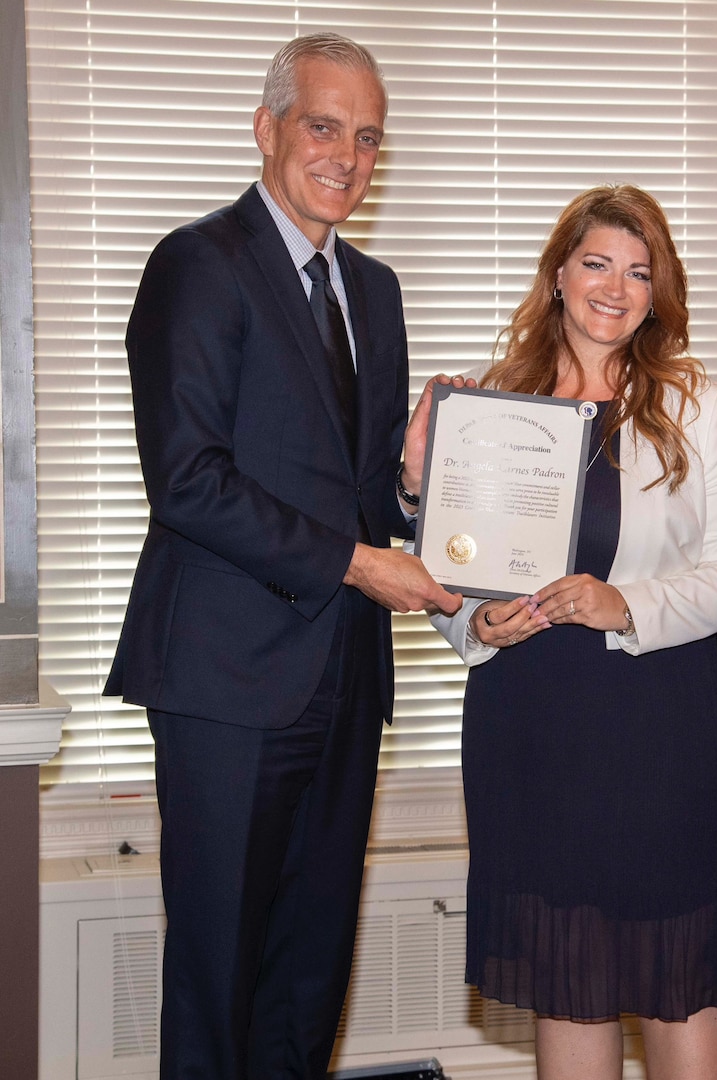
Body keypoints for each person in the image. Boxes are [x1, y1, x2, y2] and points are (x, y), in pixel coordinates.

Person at [104, 33, 462, 1080]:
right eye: (322, 126)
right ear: (266, 130)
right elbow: (188, 480)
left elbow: (360, 496)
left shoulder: (377, 290)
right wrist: (358, 561)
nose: (345, 156)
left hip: (344, 682)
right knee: (218, 980)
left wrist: (408, 489)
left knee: (309, 983)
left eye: (366, 138)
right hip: (227, 681)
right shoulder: (198, 264)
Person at [428, 184, 717, 1080]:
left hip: (658, 724)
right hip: (529, 725)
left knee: (678, 975)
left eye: (639, 271)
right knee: (565, 973)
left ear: (658, 293)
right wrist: (479, 623)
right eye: (596, 263)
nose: (615, 288)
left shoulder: (699, 406)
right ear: (557, 275)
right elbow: (452, 568)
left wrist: (629, 606)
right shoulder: (492, 405)